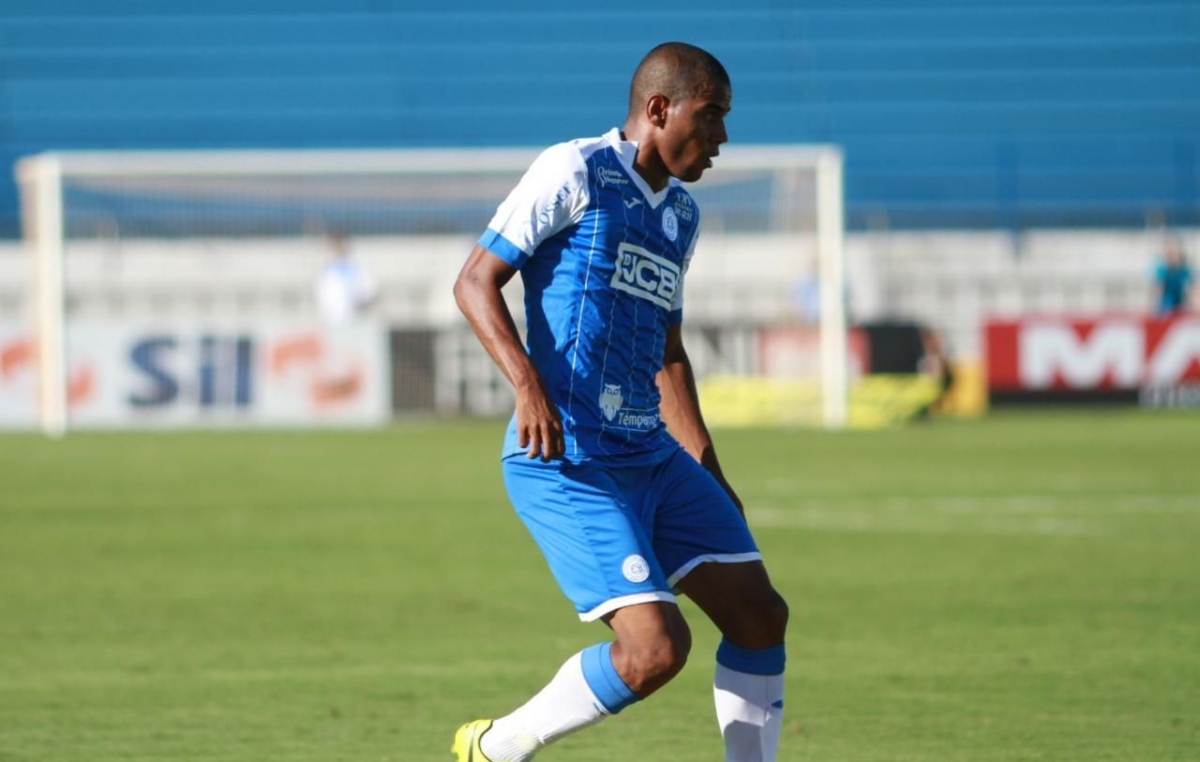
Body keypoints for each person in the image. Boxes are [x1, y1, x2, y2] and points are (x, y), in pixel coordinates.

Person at [451, 42, 789, 762]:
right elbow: (475, 281)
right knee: (655, 651)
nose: (723, 137)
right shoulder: (575, 170)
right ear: (660, 108)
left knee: (760, 616)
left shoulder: (683, 218)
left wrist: (707, 465)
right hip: (569, 458)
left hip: (655, 457)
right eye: (713, 115)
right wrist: (527, 384)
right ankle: (497, 747)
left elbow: (668, 352)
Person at [314, 230, 376, 325]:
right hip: (332, 321)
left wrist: (362, 304)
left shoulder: (357, 265)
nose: (338, 246)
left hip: (356, 320)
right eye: (335, 243)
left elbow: (368, 292)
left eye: (340, 243)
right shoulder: (326, 268)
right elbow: (323, 296)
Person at [1150, 237, 1194, 316]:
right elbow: (1158, 288)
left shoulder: (1184, 270)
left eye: (1173, 253)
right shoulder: (1162, 269)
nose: (1171, 255)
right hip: (1166, 305)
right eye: (1169, 253)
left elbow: (1193, 287)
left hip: (1181, 304)